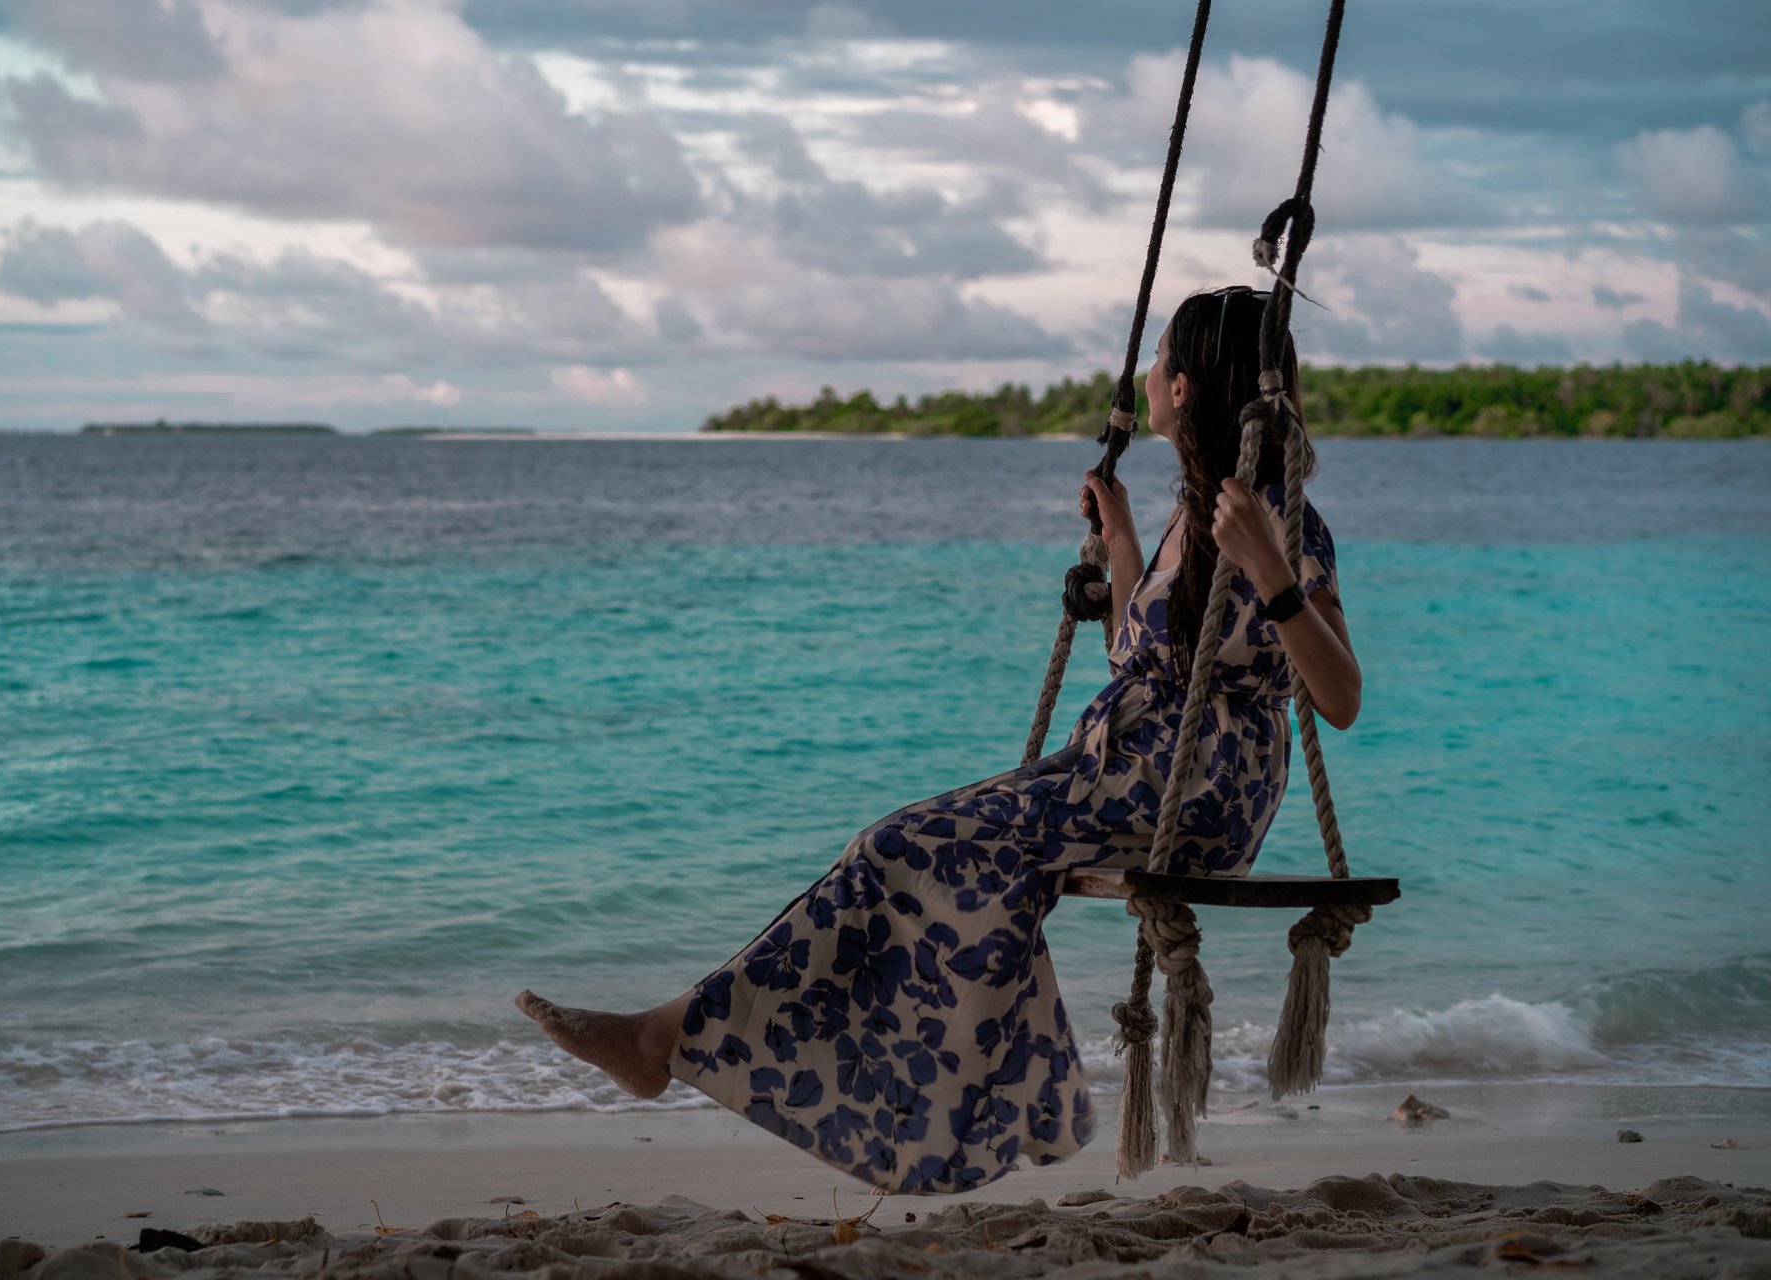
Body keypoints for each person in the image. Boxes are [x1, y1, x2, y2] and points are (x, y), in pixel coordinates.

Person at [516, 285, 1362, 1195]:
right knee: (903, 849)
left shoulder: (1280, 520)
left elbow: (1341, 696)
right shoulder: (1191, 513)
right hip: (1124, 771)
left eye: (1159, 359)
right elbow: (1141, 657)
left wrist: (1273, 572)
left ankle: (675, 1043)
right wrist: (1120, 539)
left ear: (1187, 387)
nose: (1146, 375)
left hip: (1192, 792)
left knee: (903, 845)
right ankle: (725, 1048)